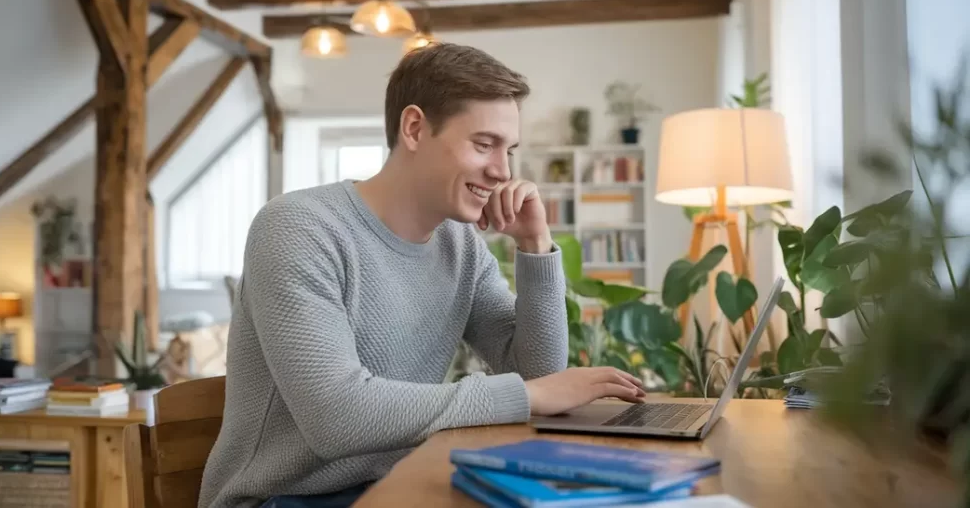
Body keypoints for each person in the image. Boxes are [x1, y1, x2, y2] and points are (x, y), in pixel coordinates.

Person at [198, 43, 647, 508]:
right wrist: (529, 394)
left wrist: (535, 247)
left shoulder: (461, 244)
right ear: (414, 129)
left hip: (394, 489)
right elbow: (337, 417)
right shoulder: (298, 228)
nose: (502, 171)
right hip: (281, 501)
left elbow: (539, 376)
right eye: (483, 144)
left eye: (509, 149)